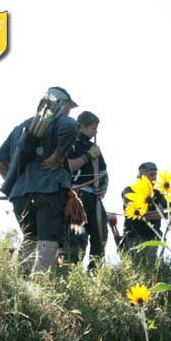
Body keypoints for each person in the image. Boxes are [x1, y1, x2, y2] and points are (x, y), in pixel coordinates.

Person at [0, 86, 80, 274]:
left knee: (30, 237)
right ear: (61, 103)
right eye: (68, 107)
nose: (68, 111)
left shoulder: (20, 127)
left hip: (19, 196)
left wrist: (16, 181)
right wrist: (58, 154)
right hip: (49, 191)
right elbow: (73, 127)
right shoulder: (61, 121)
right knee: (48, 239)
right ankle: (38, 285)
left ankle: (21, 284)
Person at [120, 162, 171, 267]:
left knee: (150, 269)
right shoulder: (130, 191)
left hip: (152, 239)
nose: (154, 178)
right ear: (141, 176)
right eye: (151, 175)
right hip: (133, 238)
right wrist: (164, 215)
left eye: (155, 174)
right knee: (133, 269)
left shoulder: (157, 194)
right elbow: (141, 214)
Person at [66, 111, 108, 270]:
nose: (95, 132)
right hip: (77, 194)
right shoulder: (71, 143)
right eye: (93, 128)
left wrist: (104, 187)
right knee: (78, 235)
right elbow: (67, 166)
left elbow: (104, 172)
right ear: (82, 126)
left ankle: (94, 271)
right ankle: (72, 269)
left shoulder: (94, 147)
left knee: (101, 235)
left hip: (94, 197)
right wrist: (88, 156)